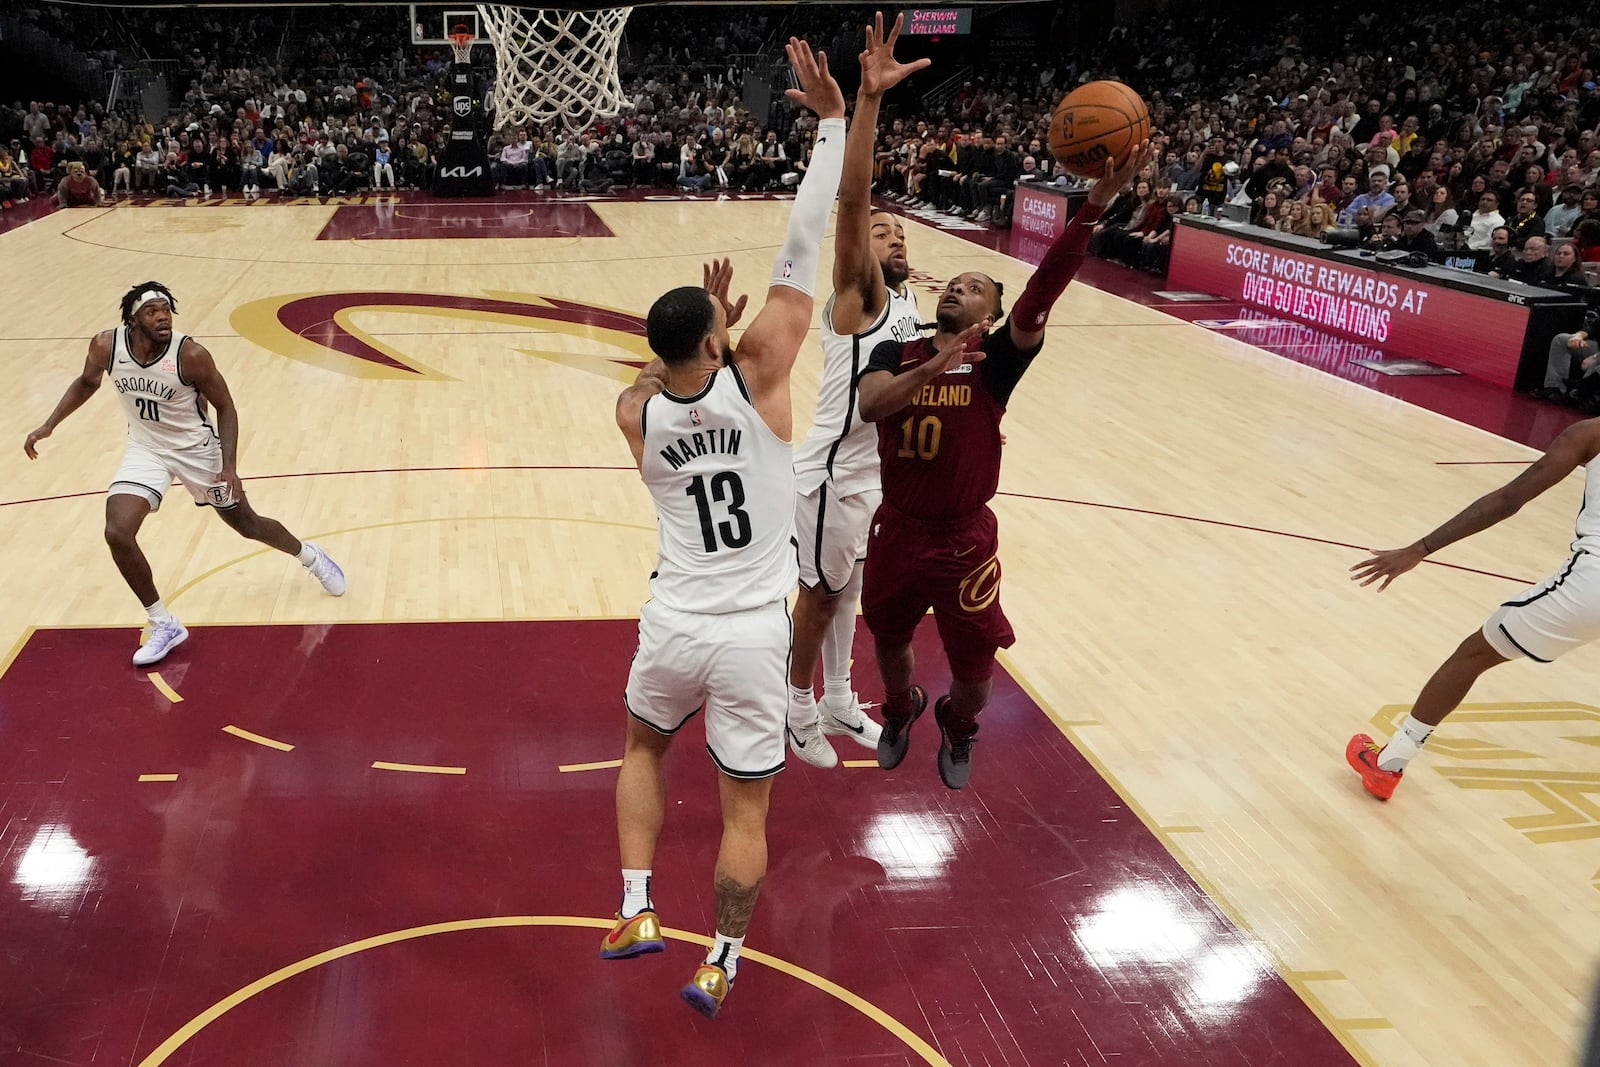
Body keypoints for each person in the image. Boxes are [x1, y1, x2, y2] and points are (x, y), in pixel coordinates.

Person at [601, 36, 848, 1021]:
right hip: (753, 632)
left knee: (641, 749)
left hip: (674, 621)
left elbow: (652, 379)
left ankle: (634, 908)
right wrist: (829, 125)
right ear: (718, 337)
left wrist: (693, 343)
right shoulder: (760, 371)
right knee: (744, 807)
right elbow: (803, 249)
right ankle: (722, 958)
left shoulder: (636, 411)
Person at [853, 140, 1155, 789]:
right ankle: (900, 708)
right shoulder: (895, 348)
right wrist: (936, 363)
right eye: (953, 284)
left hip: (962, 539)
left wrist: (1096, 203)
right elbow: (873, 405)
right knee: (887, 639)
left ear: (991, 312)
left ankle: (958, 726)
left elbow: (1046, 282)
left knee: (975, 677)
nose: (958, 289)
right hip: (897, 528)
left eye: (975, 288)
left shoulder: (998, 361)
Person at [22, 283, 346, 666]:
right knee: (117, 531)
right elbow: (87, 382)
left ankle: (309, 555)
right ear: (133, 319)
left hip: (198, 452)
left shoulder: (190, 354)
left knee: (247, 525)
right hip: (147, 450)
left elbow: (225, 407)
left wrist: (230, 468)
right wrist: (49, 425)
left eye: (166, 310)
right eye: (152, 312)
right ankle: (163, 622)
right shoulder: (106, 347)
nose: (162, 317)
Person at [786, 12, 929, 769]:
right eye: (882, 234)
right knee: (817, 598)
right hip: (833, 474)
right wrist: (867, 103)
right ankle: (797, 704)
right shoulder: (862, 294)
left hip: (879, 476)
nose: (893, 236)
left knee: (852, 593)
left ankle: (841, 698)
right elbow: (853, 201)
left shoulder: (910, 302)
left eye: (901, 233)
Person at [1347, 416, 1600, 800]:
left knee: (1474, 654)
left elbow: (1507, 500)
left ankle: (1389, 764)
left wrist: (1420, 549)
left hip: (1591, 585)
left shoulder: (1589, 433)